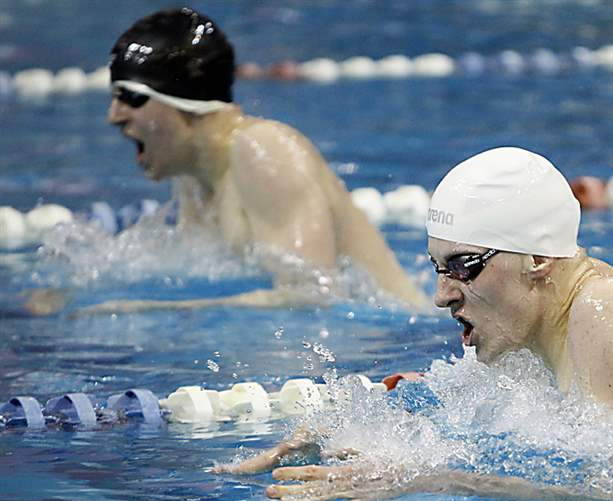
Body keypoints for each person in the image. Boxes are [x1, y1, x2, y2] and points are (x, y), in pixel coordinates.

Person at [214, 147, 613, 501]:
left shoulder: (609, 312)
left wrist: (430, 481)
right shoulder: (525, 329)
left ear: (538, 259)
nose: (440, 295)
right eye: (436, 267)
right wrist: (351, 432)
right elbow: (482, 421)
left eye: (464, 266)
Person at [59, 7, 427, 314]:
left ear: (181, 102)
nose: (114, 115)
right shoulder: (195, 175)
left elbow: (312, 294)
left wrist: (145, 309)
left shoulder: (264, 150)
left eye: (129, 97)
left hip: (397, 343)